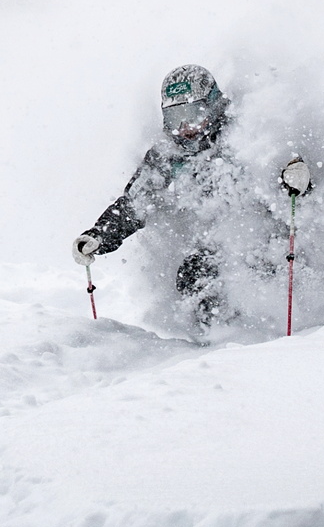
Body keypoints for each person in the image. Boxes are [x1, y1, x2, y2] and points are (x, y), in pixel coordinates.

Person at [72, 65, 311, 338]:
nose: (184, 128)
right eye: (174, 118)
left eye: (192, 114)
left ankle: (286, 335)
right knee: (194, 272)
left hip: (267, 237)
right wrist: (99, 236)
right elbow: (136, 203)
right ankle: (221, 342)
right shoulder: (167, 155)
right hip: (217, 243)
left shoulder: (248, 132)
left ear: (212, 106)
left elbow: (286, 168)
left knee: (262, 265)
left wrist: (296, 177)